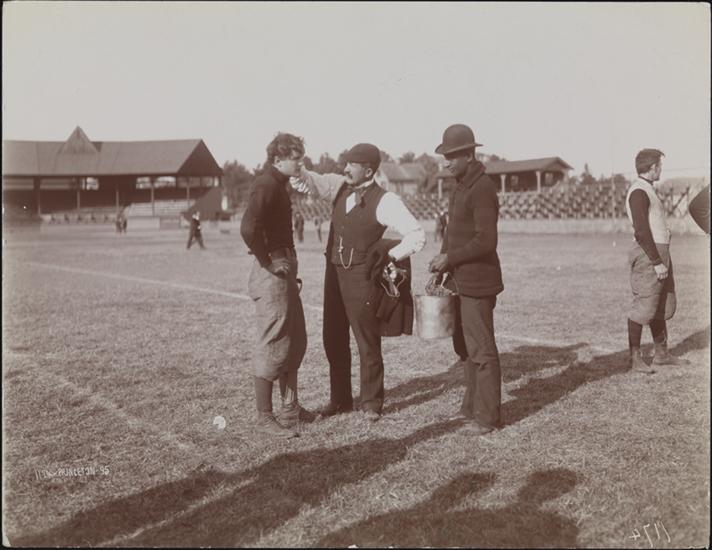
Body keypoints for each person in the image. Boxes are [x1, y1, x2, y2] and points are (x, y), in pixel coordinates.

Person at [294, 143, 426, 422]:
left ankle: (371, 403)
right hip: (334, 274)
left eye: (351, 165)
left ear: (368, 170)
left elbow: (417, 235)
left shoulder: (386, 201)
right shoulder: (339, 186)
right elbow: (308, 180)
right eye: (346, 163)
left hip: (362, 277)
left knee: (367, 340)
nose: (345, 169)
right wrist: (296, 165)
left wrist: (389, 255)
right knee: (333, 338)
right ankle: (340, 400)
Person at [428, 124, 504, 436]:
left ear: (469, 155)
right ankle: (472, 407)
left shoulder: (482, 188)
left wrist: (451, 259)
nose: (445, 162)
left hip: (478, 282)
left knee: (481, 349)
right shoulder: (459, 186)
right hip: (458, 280)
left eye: (450, 157)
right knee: (466, 348)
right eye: (444, 156)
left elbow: (487, 240)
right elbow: (452, 232)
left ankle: (488, 418)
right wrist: (442, 263)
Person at [240, 132, 313, 438]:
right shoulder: (266, 184)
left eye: (300, 158)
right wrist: (268, 262)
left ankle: (290, 408)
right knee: (273, 340)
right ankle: (265, 416)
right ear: (277, 158)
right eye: (295, 158)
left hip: (284, 268)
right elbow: (248, 228)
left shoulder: (278, 184)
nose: (300, 164)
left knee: (294, 338)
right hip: (272, 270)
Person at [625, 148, 689, 373]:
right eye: (660, 166)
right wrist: (656, 261)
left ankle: (661, 354)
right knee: (644, 306)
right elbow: (642, 231)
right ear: (653, 167)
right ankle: (635, 359)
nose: (661, 169)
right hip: (648, 255)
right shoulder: (638, 191)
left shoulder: (648, 189)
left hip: (660, 253)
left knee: (662, 305)